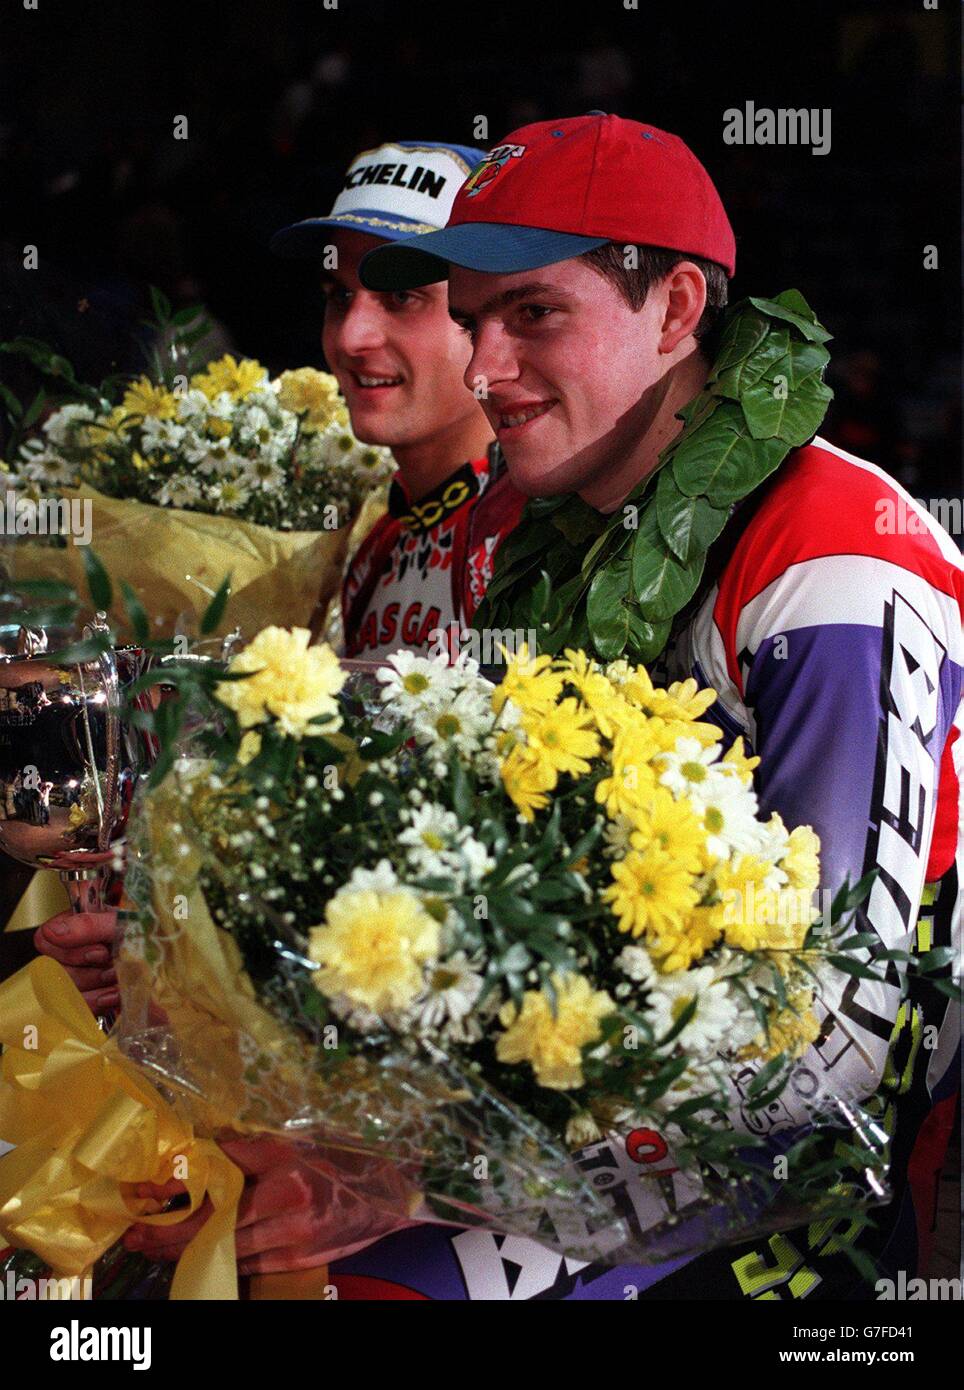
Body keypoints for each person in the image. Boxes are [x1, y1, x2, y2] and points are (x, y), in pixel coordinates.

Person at [331, 111, 962, 1300]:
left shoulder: (830, 553)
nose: (480, 371)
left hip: (805, 1175)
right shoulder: (526, 532)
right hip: (593, 1116)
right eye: (471, 322)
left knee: (368, 1282)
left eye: (533, 315)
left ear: (677, 310)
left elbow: (831, 1038)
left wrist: (449, 1166)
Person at [272, 138, 497, 661]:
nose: (351, 338)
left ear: (489, 310)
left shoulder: (536, 540)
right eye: (339, 296)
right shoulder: (375, 542)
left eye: (401, 296)